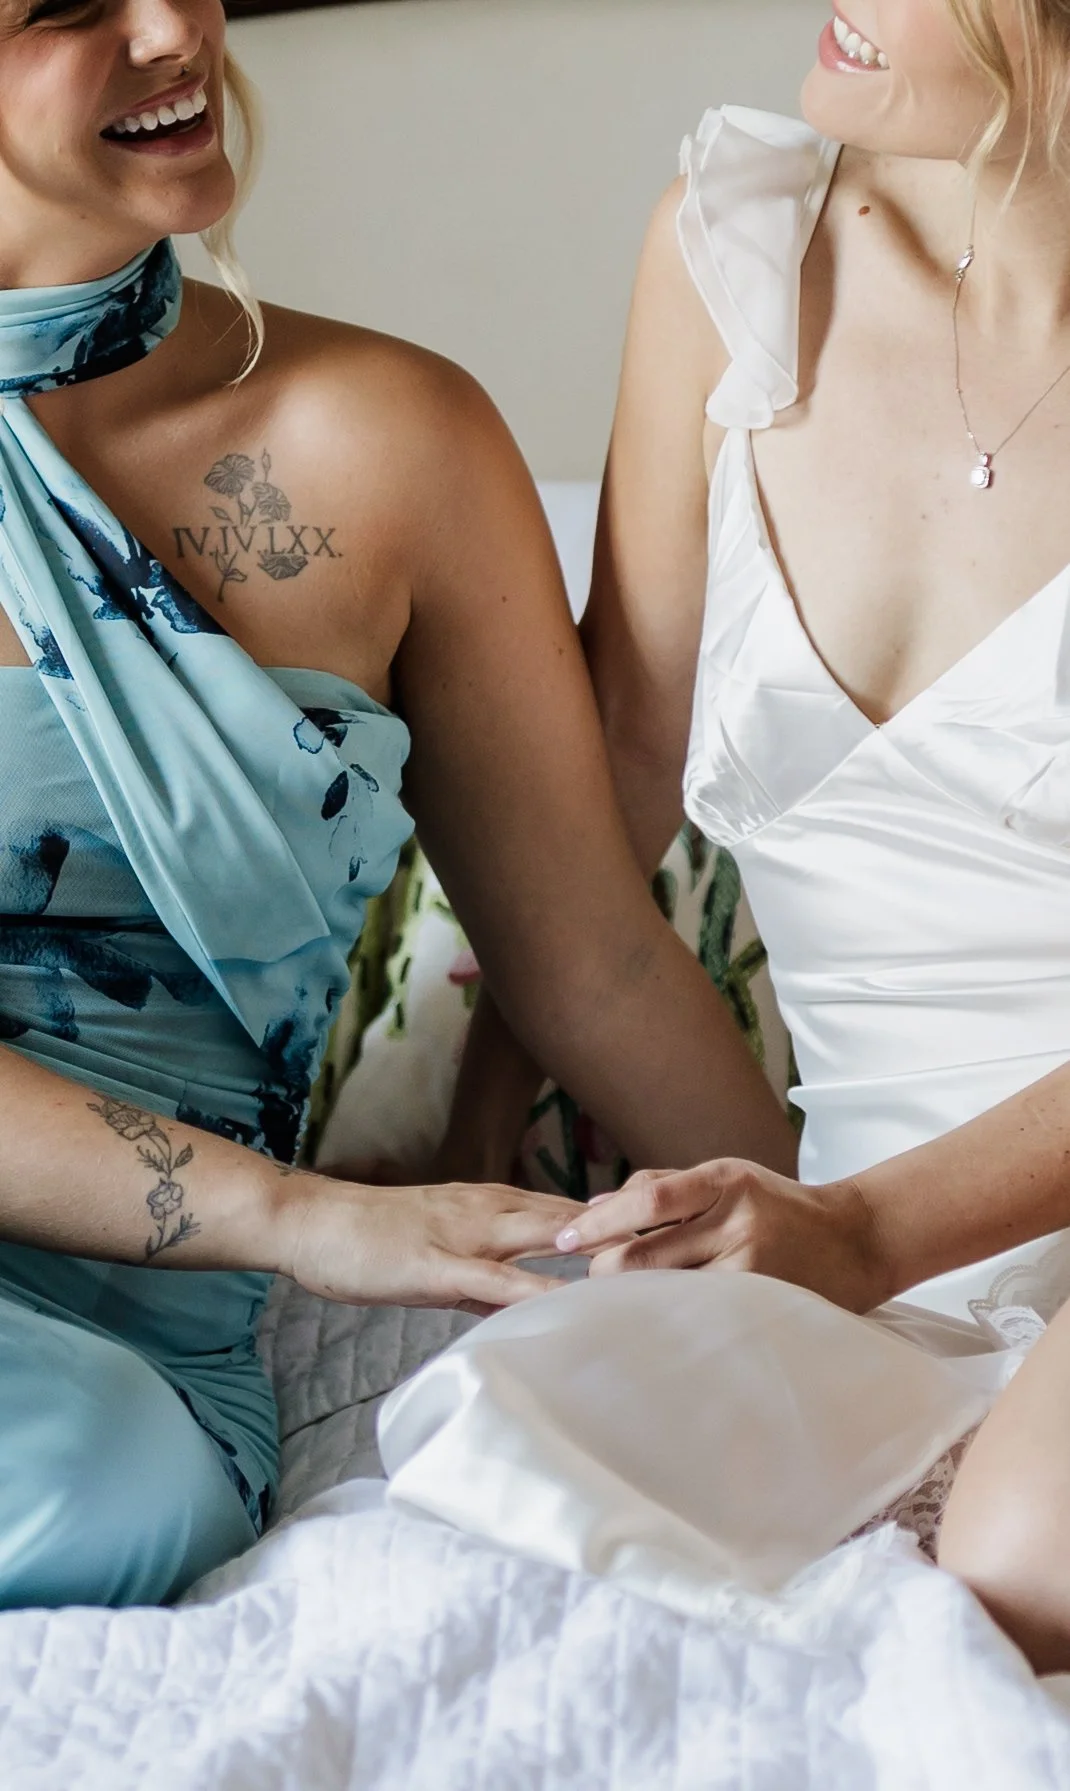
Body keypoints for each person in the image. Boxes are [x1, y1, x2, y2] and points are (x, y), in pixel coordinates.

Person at [0, 0, 796, 1610]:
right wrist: (307, 1219)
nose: (173, 26)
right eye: (70, 6)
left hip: (128, 1365)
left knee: (106, 1478)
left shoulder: (389, 437)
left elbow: (597, 964)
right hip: (267, 1224)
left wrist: (867, 1256)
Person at [532, 1, 1070, 1672]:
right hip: (843, 1242)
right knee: (519, 1459)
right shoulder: (728, 256)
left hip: (885, 1234)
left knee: (1021, 1548)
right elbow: (609, 766)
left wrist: (870, 1234)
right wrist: (465, 1170)